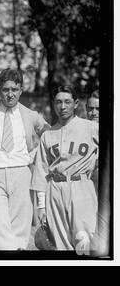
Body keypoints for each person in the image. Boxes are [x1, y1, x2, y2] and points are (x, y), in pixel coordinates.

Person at [0, 68, 50, 250]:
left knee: (20, 230)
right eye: (5, 89)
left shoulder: (30, 115)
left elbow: (51, 136)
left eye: (14, 89)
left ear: (21, 90)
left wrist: (34, 156)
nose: (10, 94)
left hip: (21, 173)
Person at [31, 85, 98, 251]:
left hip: (81, 186)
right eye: (58, 102)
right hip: (55, 190)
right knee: (61, 245)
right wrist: (41, 206)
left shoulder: (91, 128)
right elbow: (41, 171)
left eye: (67, 102)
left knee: (85, 240)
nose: (63, 107)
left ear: (75, 104)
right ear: (53, 105)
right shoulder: (48, 135)